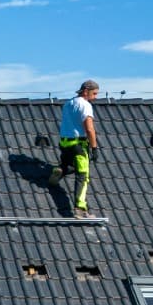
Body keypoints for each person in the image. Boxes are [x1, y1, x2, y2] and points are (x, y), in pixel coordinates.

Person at [48, 79, 99, 216]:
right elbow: (89, 128)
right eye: (94, 94)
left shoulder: (68, 103)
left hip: (65, 143)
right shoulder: (85, 105)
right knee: (83, 175)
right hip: (78, 145)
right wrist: (94, 147)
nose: (95, 97)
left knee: (70, 165)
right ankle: (80, 209)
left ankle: (60, 170)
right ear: (86, 91)